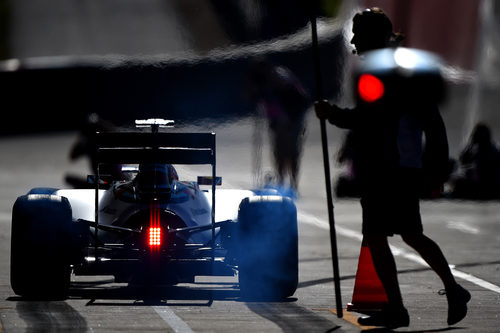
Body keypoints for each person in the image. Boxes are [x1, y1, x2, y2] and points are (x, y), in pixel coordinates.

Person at [315, 8, 470, 328]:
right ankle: (451, 291)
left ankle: (402, 308)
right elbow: (371, 120)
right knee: (410, 234)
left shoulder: (397, 70)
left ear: (373, 35)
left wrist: (334, 114)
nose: (354, 39)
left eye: (359, 32)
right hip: (390, 167)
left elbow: (423, 122)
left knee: (379, 234)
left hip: (394, 168)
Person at [245, 57, 309, 191]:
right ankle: (282, 182)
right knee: (279, 153)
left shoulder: (279, 76)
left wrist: (289, 117)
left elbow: (298, 99)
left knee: (291, 153)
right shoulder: (267, 82)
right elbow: (256, 97)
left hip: (292, 120)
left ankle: (292, 184)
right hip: (280, 121)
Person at [452, 123, 500, 199]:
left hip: (491, 186)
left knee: (459, 184)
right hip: (489, 185)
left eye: (474, 135)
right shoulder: (480, 150)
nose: (473, 137)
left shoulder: (490, 152)